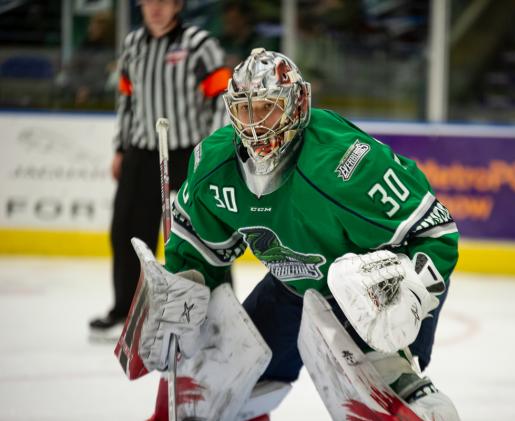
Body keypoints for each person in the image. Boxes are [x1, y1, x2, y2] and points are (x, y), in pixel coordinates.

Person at [137, 48, 460, 420]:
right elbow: (198, 249)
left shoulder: (344, 164)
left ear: (296, 103)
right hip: (292, 286)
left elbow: (435, 232)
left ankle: (400, 386)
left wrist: (410, 297)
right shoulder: (214, 165)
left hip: (369, 293)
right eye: (244, 109)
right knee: (211, 391)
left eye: (267, 107)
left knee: (395, 407)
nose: (254, 125)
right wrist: (181, 297)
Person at [88, 0, 231, 340]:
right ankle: (128, 309)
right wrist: (121, 148)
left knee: (203, 236)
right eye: (150, 0)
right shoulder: (133, 44)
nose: (156, 8)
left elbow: (221, 97)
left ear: (178, 5)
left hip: (188, 152)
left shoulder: (200, 44)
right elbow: (126, 100)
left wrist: (211, 152)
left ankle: (220, 312)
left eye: (164, 1)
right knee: (126, 231)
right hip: (141, 152)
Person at [55, 10, 117, 108]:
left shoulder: (112, 52)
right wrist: (80, 88)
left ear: (105, 30)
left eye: (96, 27)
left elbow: (108, 79)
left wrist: (89, 90)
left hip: (100, 97)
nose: (91, 29)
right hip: (77, 91)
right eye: (91, 25)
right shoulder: (83, 47)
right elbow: (71, 69)